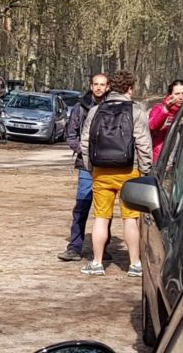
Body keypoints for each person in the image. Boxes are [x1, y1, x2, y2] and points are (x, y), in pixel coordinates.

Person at [77, 71, 154, 277]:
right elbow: (144, 145)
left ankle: (97, 262)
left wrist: (90, 167)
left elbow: (85, 143)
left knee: (101, 217)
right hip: (130, 171)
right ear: (130, 89)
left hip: (101, 171)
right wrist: (145, 171)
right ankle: (135, 264)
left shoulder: (95, 111)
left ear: (110, 87)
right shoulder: (136, 111)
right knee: (130, 219)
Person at [57, 74, 112, 262]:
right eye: (95, 84)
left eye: (102, 84)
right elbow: (71, 135)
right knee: (81, 205)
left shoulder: (114, 107)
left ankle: (102, 248)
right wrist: (84, 150)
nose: (98, 88)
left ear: (108, 86)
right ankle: (74, 247)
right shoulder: (80, 107)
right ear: (91, 86)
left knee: (105, 209)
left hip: (108, 165)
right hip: (86, 165)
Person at [150, 80, 183, 155]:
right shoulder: (159, 109)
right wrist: (166, 109)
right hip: (161, 159)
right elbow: (153, 126)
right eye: (177, 94)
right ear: (170, 95)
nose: (181, 97)